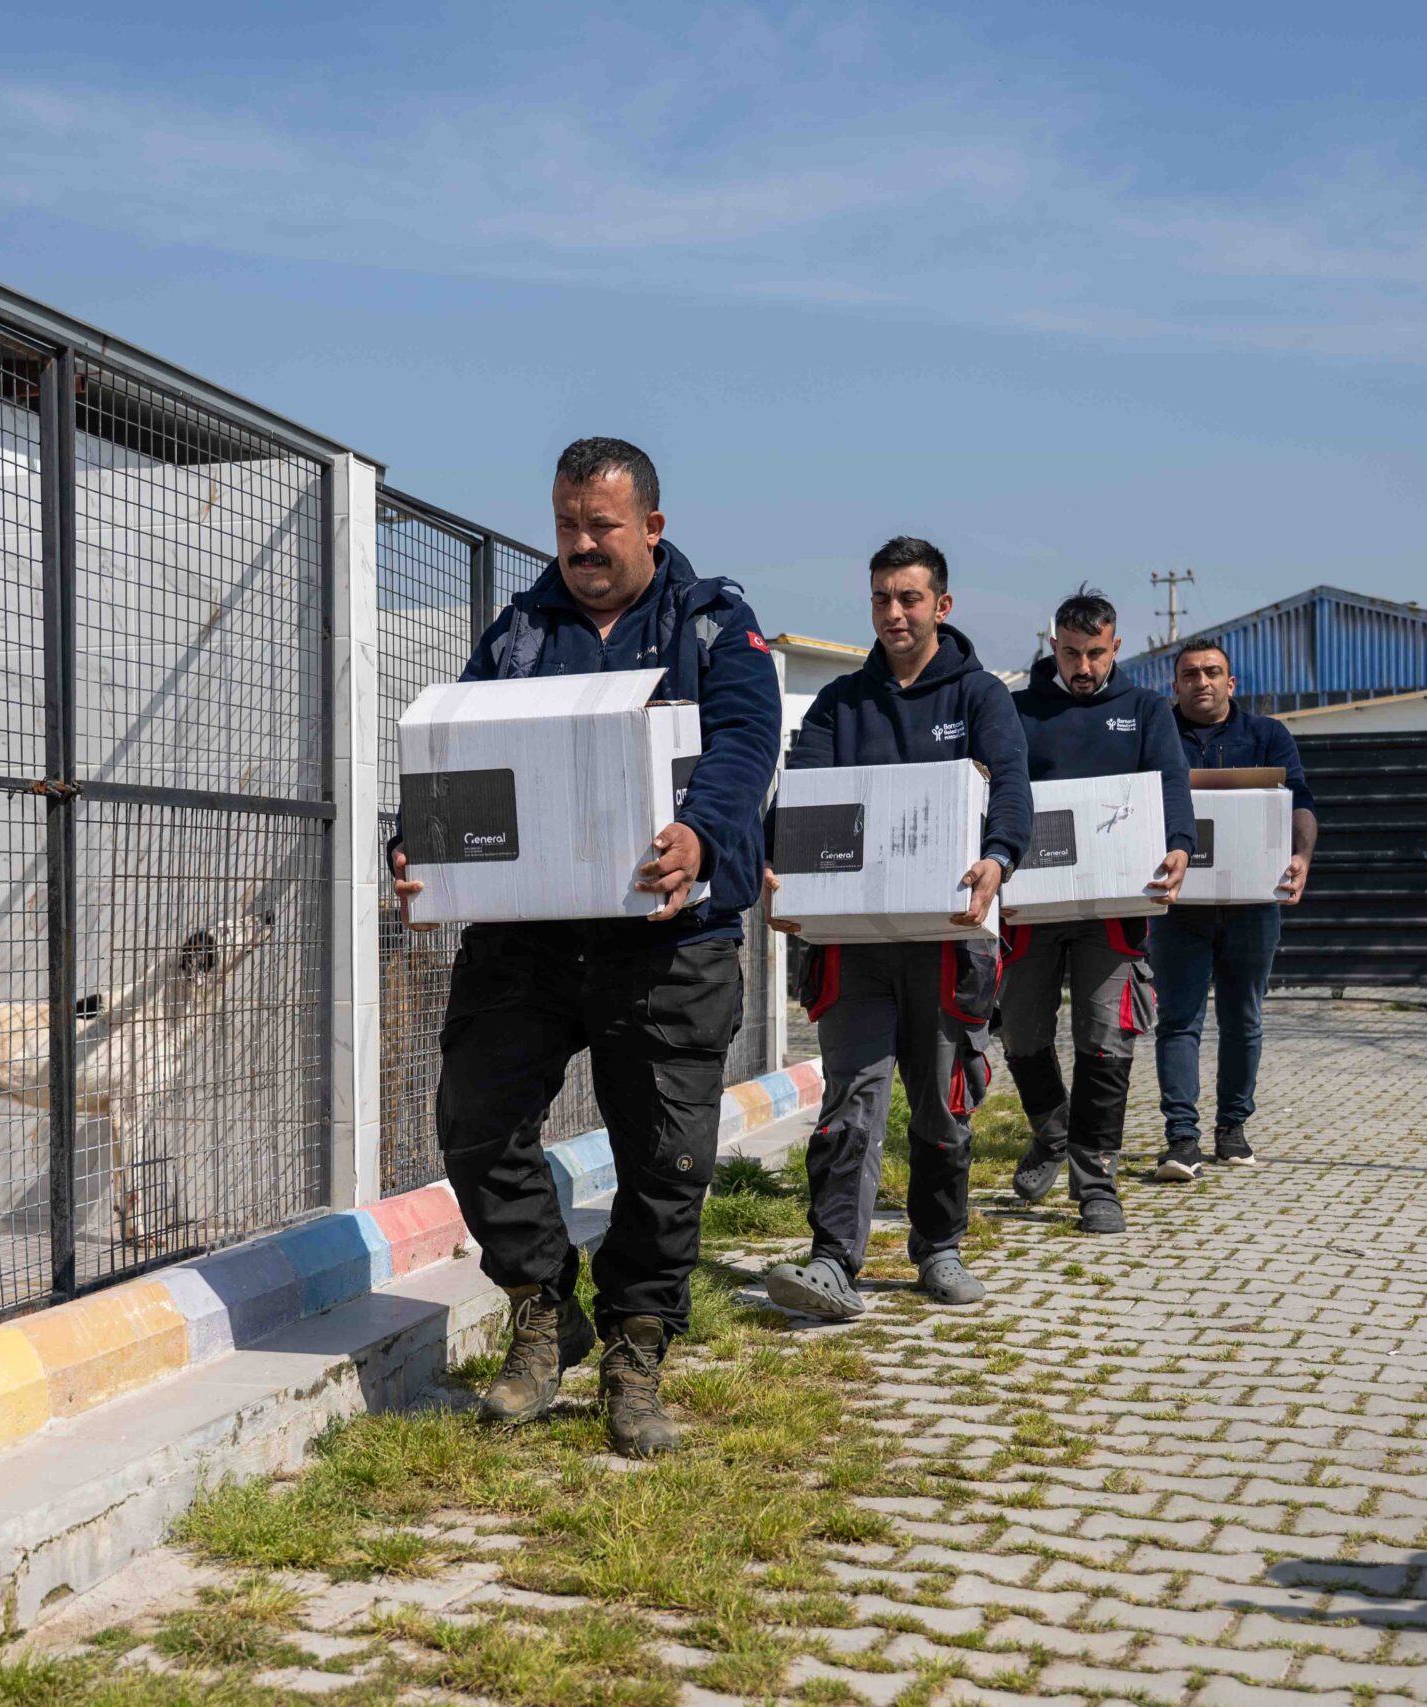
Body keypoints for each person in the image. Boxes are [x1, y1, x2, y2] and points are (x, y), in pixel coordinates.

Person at [390, 437, 782, 1457]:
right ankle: (540, 1308)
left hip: (668, 939)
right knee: (475, 1121)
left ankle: (636, 1350)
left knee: (666, 1156)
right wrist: (416, 841)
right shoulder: (520, 632)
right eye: (566, 525)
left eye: (601, 525)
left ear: (651, 525)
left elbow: (747, 744)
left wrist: (700, 832)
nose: (581, 544)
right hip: (528, 939)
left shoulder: (713, 626)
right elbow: (457, 750)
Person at [760, 537, 1032, 1320]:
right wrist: (778, 859)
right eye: (881, 597)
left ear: (941, 605)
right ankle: (832, 1260)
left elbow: (1012, 786)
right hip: (853, 944)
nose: (893, 612)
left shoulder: (979, 698)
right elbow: (801, 796)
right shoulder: (841, 703)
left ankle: (938, 1245)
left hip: (948, 937)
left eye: (909, 597)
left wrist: (999, 856)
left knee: (943, 1101)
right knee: (852, 1096)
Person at [1002, 589, 1194, 1235]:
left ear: (1116, 648)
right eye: (1070, 653)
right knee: (1020, 1032)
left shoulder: (1145, 711)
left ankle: (1096, 1182)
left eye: (1095, 654)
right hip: (1031, 903)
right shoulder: (1017, 710)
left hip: (1114, 907)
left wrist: (1179, 844)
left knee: (1105, 1039)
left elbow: (1170, 783)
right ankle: (1053, 1131)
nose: (1083, 667)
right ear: (1053, 645)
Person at [1149, 639, 1318, 1178]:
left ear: (1230, 682)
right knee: (1179, 1020)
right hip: (1177, 905)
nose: (1201, 681)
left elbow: (1300, 801)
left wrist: (1301, 857)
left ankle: (1232, 1128)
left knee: (1243, 1018)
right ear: (1175, 684)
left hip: (1252, 904)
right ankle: (1181, 1138)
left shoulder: (1267, 736)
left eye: (1212, 672)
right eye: (1190, 674)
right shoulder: (1157, 735)